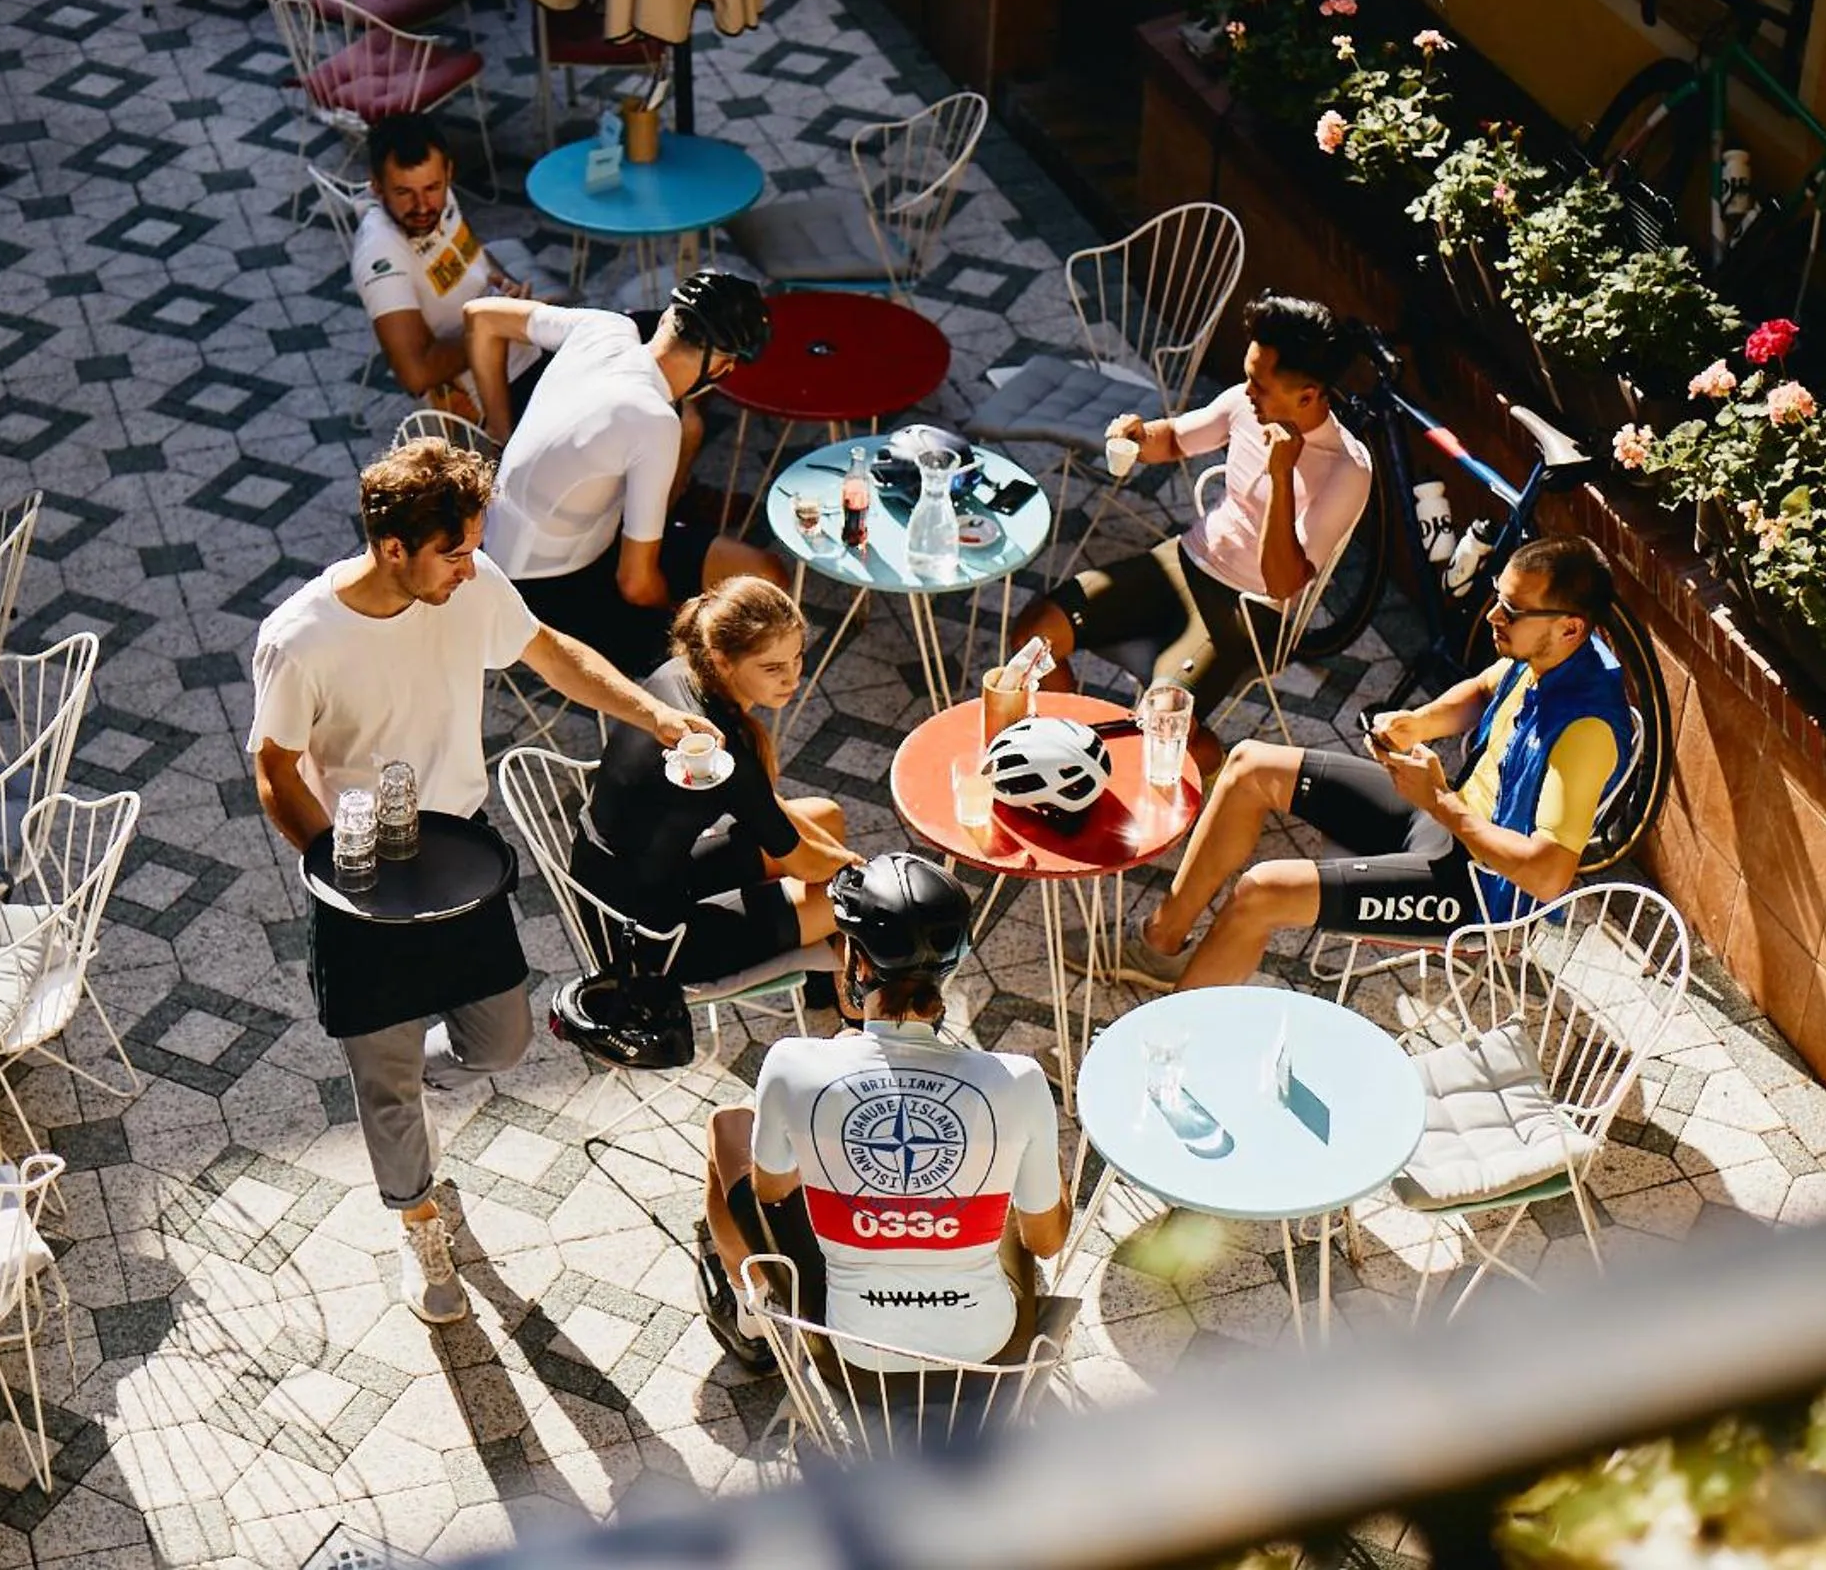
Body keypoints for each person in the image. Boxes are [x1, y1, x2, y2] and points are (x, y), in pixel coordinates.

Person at [248, 436, 719, 1325]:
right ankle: (418, 1218)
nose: (472, 566)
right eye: (455, 549)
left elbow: (551, 653)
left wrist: (658, 714)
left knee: (501, 1040)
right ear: (394, 549)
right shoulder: (301, 637)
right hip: (357, 873)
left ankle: (403, 1097)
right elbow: (275, 770)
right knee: (382, 1077)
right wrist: (337, 877)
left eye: (472, 546)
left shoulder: (469, 586)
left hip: (460, 849)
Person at [1118, 536, 1635, 990]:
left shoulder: (1585, 730)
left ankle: (1169, 1052)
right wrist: (1417, 724)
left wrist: (1438, 800)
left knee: (1262, 891)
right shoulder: (1546, 654)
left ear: (1570, 628)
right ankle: (1161, 942)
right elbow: (1483, 688)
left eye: (1513, 611)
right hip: (1442, 820)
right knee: (1250, 764)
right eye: (1498, 599)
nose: (1494, 616)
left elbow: (1547, 877)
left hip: (1479, 892)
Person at [697, 855, 1071, 1374]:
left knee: (726, 1126)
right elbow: (1045, 1242)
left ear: (858, 961)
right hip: (988, 1343)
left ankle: (751, 1317)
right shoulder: (1021, 1082)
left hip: (855, 1346)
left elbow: (773, 1191)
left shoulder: (790, 1064)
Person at [1004, 292, 1375, 773]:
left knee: (1160, 729)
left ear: (1307, 396)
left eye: (1259, 386)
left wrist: (1283, 476)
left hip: (1249, 609)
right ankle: (1069, 755)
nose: (1247, 393)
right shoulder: (1247, 403)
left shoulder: (1348, 469)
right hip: (1182, 562)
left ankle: (1208, 758)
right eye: (1248, 377)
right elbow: (1175, 438)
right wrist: (1137, 436)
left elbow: (1282, 583)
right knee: (1035, 635)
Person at [460, 269, 789, 674]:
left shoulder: (606, 326)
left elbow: (481, 316)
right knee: (728, 661)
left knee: (765, 575)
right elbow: (636, 584)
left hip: (577, 539)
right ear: (723, 369)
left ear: (668, 317)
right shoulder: (654, 421)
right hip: (542, 590)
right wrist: (682, 613)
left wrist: (500, 431)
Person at [570, 575, 861, 998]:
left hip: (631, 876)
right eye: (772, 667)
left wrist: (842, 862)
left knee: (827, 817)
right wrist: (859, 871)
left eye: (797, 658)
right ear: (723, 661)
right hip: (651, 940)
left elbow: (768, 809)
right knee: (851, 898)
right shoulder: (720, 756)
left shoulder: (678, 673)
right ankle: (850, 1001)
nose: (792, 678)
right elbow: (806, 864)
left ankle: (824, 987)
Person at [349, 113, 541, 424]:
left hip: (527, 351)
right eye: (404, 193)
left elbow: (472, 257)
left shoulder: (441, 196)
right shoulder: (381, 255)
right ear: (377, 187)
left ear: (448, 172)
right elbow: (415, 374)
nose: (423, 206)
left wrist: (508, 289)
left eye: (432, 188)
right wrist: (494, 327)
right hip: (494, 398)